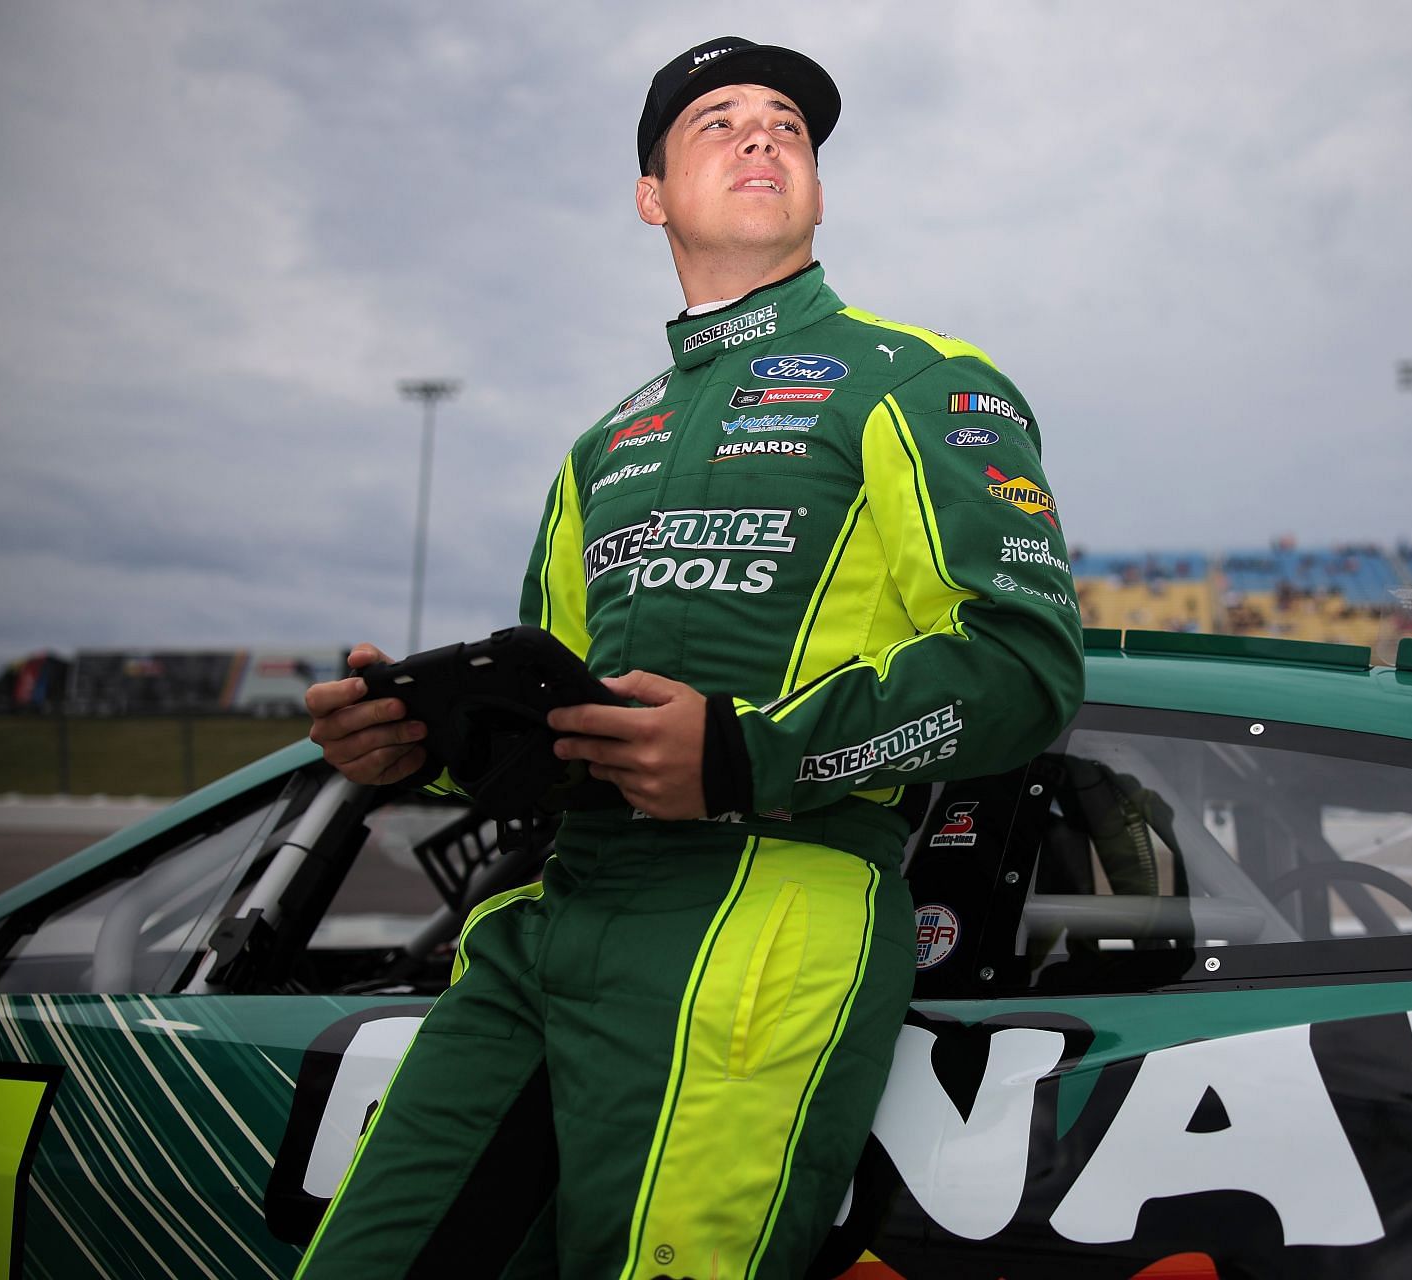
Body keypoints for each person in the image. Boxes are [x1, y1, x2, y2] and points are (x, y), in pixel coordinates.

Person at [297, 35, 1082, 1280]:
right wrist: (422, 748)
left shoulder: (921, 383)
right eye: (718, 120)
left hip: (772, 909)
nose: (763, 135)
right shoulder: (602, 442)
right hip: (550, 915)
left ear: (817, 185)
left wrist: (742, 749)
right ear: (652, 195)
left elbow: (1028, 672)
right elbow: (548, 719)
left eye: (789, 125)